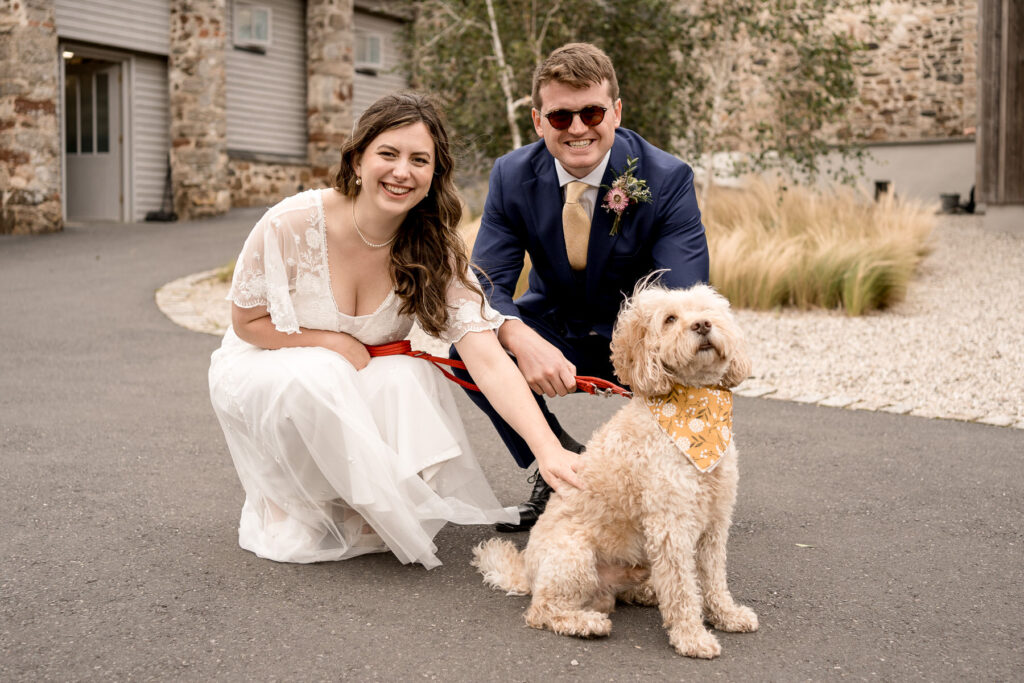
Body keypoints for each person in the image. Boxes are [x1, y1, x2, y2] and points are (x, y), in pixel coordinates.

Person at [208, 93, 582, 569]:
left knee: (408, 376)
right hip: (267, 369)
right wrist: (332, 341)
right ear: (358, 159)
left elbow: (485, 357)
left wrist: (548, 451)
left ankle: (350, 502)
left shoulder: (435, 250)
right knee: (320, 371)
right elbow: (247, 323)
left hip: (353, 377)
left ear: (434, 176)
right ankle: (296, 501)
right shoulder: (291, 223)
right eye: (388, 154)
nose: (402, 171)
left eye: (419, 160)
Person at [453, 43, 710, 532]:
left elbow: (682, 294)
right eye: (560, 116)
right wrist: (517, 335)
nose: (577, 128)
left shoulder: (666, 178)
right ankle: (557, 462)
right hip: (556, 328)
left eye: (591, 112)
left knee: (689, 346)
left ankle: (666, 483)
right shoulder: (511, 175)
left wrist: (638, 354)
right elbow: (485, 284)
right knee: (466, 345)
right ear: (537, 120)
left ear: (616, 112)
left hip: (638, 338)